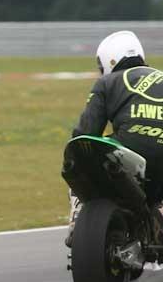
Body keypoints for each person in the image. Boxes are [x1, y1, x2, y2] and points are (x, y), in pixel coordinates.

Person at [65, 30, 163, 247]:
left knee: (79, 156)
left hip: (130, 150)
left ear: (110, 61)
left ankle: (79, 217)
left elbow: (85, 133)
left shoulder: (108, 82)